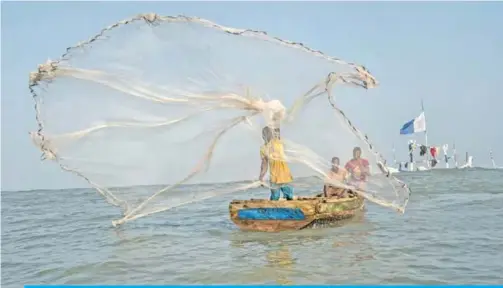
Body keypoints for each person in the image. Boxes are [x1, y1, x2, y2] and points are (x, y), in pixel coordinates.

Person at [259, 126, 294, 201]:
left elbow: (277, 129)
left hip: (285, 175)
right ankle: (271, 210)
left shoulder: (278, 142)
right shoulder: (263, 148)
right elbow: (264, 164)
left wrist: (273, 118)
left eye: (269, 133)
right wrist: (261, 177)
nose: (267, 135)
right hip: (274, 177)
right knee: (275, 197)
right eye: (265, 134)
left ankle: (290, 209)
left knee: (289, 196)